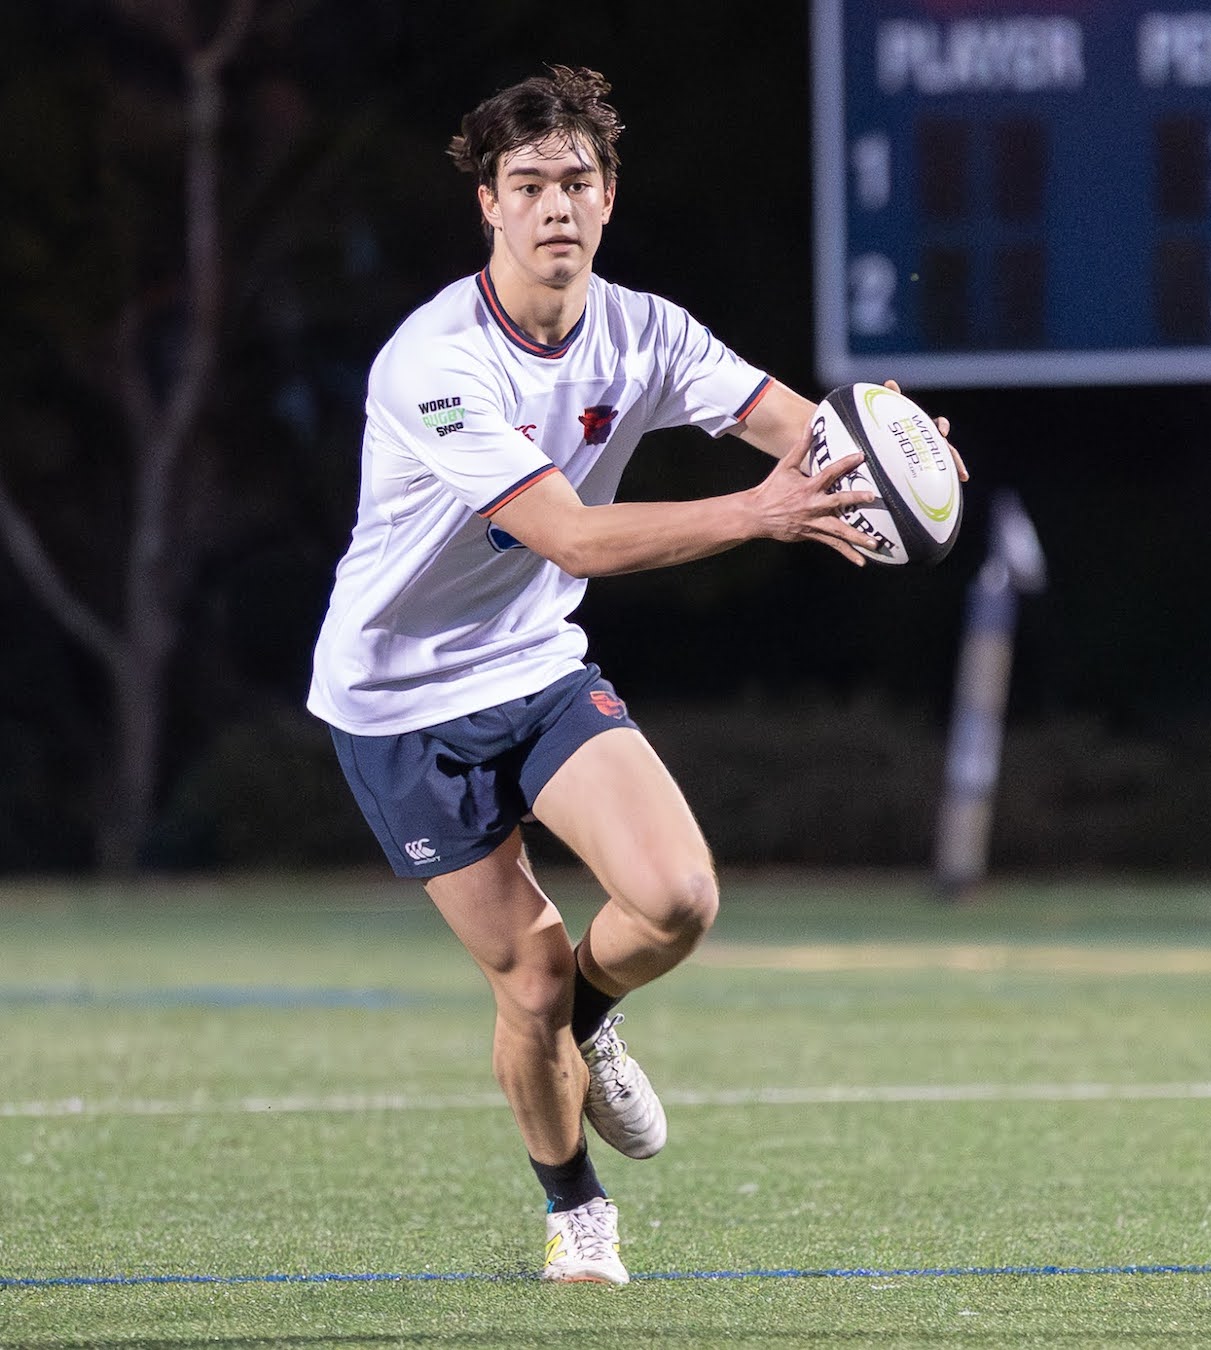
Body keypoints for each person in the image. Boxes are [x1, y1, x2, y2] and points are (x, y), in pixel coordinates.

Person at [306, 66, 961, 1285]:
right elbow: (572, 536)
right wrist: (764, 514)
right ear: (489, 209)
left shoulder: (646, 330)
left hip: (534, 663)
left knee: (675, 900)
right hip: (399, 704)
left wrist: (887, 455)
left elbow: (793, 428)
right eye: (528, 186)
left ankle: (591, 1021)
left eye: (576, 182)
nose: (555, 206)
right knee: (528, 971)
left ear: (608, 199)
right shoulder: (435, 364)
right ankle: (574, 1213)